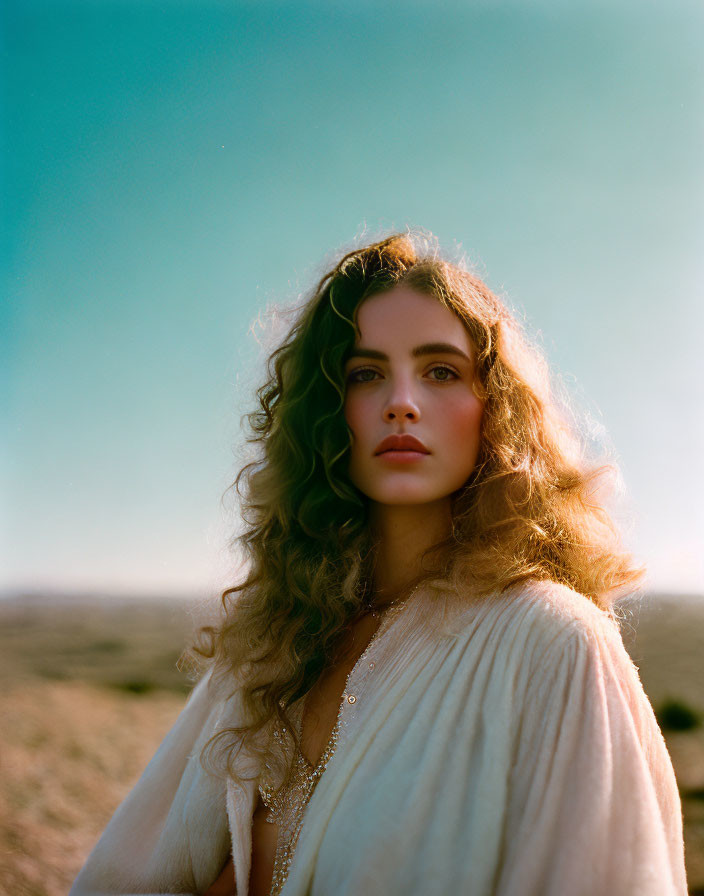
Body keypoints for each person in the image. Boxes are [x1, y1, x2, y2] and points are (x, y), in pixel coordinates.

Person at [69, 232, 688, 896]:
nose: (402, 401)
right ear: (327, 415)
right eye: (364, 374)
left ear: (496, 409)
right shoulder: (271, 640)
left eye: (441, 370)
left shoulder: (554, 645)